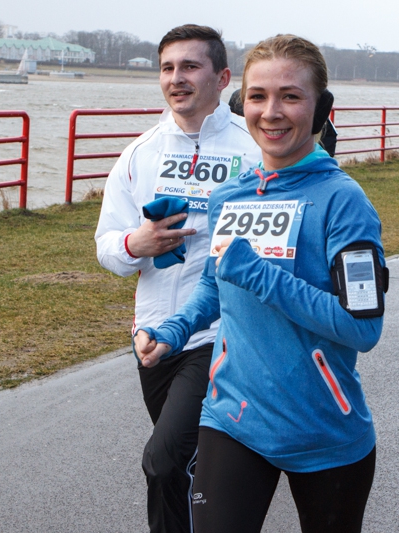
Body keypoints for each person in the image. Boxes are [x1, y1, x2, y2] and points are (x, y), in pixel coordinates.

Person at [134, 34, 385, 533]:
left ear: (321, 108)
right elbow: (215, 285)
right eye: (257, 96)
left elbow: (362, 328)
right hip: (232, 418)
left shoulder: (343, 201)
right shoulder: (230, 195)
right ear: (241, 103)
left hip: (324, 431)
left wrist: (261, 274)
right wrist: (174, 331)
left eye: (290, 96)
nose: (271, 112)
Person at [94, 24, 260, 533]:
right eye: (167, 68)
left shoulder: (254, 151)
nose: (176, 78)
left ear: (222, 77)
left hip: (220, 336)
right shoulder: (139, 153)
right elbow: (106, 245)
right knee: (189, 467)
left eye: (190, 66)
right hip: (152, 339)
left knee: (164, 461)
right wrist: (135, 244)